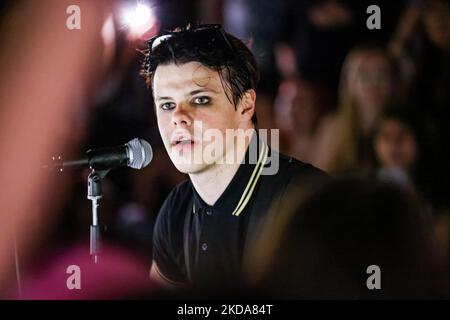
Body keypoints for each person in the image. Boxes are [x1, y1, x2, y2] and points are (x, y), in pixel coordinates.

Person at [140, 24, 328, 290]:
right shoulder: (176, 211)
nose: (178, 117)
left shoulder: (305, 201)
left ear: (246, 105)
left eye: (200, 100)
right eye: (167, 105)